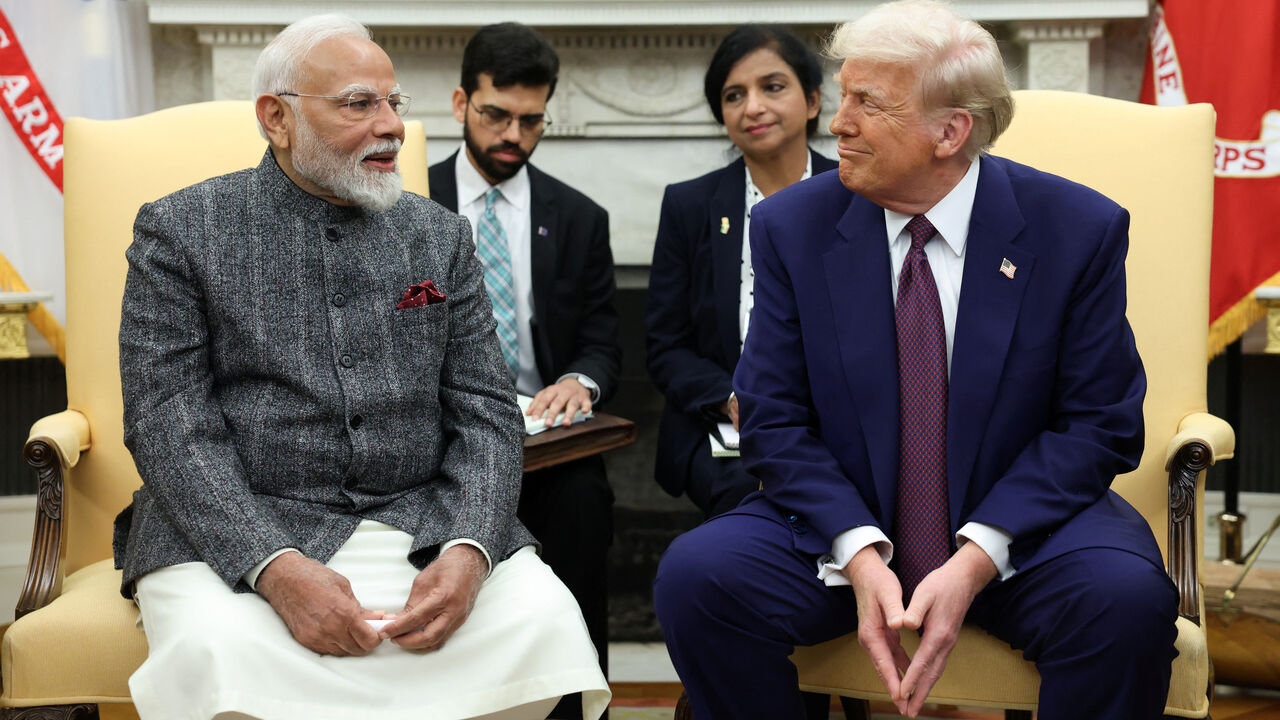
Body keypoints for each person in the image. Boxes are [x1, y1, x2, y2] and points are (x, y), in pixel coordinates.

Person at [654, 2, 1179, 719]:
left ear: (950, 131)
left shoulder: (1076, 229)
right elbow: (773, 419)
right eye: (843, 100)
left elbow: (1099, 425)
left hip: (1023, 534)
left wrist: (975, 556)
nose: (837, 124)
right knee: (698, 576)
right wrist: (860, 552)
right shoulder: (791, 227)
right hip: (846, 527)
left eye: (867, 104)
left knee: (1124, 604)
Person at [114, 15, 609, 720]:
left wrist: (470, 552)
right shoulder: (180, 231)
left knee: (541, 619)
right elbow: (168, 425)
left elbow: (486, 411)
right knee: (221, 650)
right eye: (358, 104)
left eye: (395, 103)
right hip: (233, 531)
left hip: (418, 520)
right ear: (277, 119)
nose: (392, 127)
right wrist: (274, 568)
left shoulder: (437, 235)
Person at [426, 22, 621, 719]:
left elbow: (602, 338)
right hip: (436, 444)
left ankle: (576, 705)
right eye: (496, 115)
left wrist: (582, 381)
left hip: (547, 439)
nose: (513, 134)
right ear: (460, 104)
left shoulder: (578, 216)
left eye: (531, 120)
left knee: (581, 506)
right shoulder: (406, 206)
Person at [645, 25, 835, 520]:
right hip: (726, 426)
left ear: (812, 101)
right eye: (734, 95)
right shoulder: (689, 205)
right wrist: (732, 398)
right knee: (747, 501)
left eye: (772, 87)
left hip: (840, 419)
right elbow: (666, 346)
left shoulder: (856, 195)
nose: (753, 107)